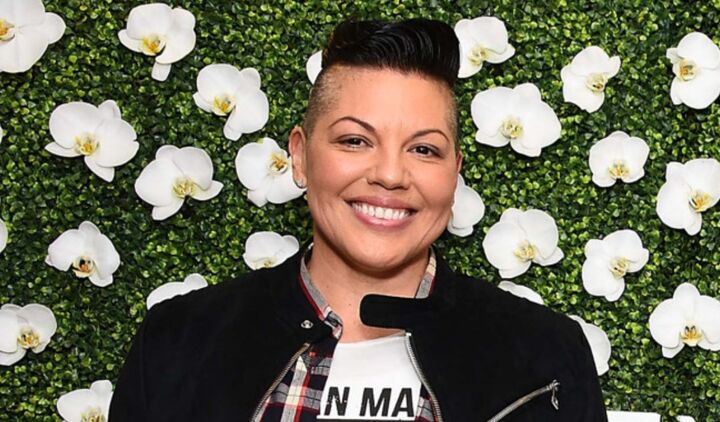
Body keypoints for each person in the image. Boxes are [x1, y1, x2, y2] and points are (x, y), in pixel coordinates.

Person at [109, 17, 608, 421]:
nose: (390, 174)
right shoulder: (177, 341)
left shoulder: (546, 357)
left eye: (424, 149)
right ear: (300, 157)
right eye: (355, 140)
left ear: (454, 174)